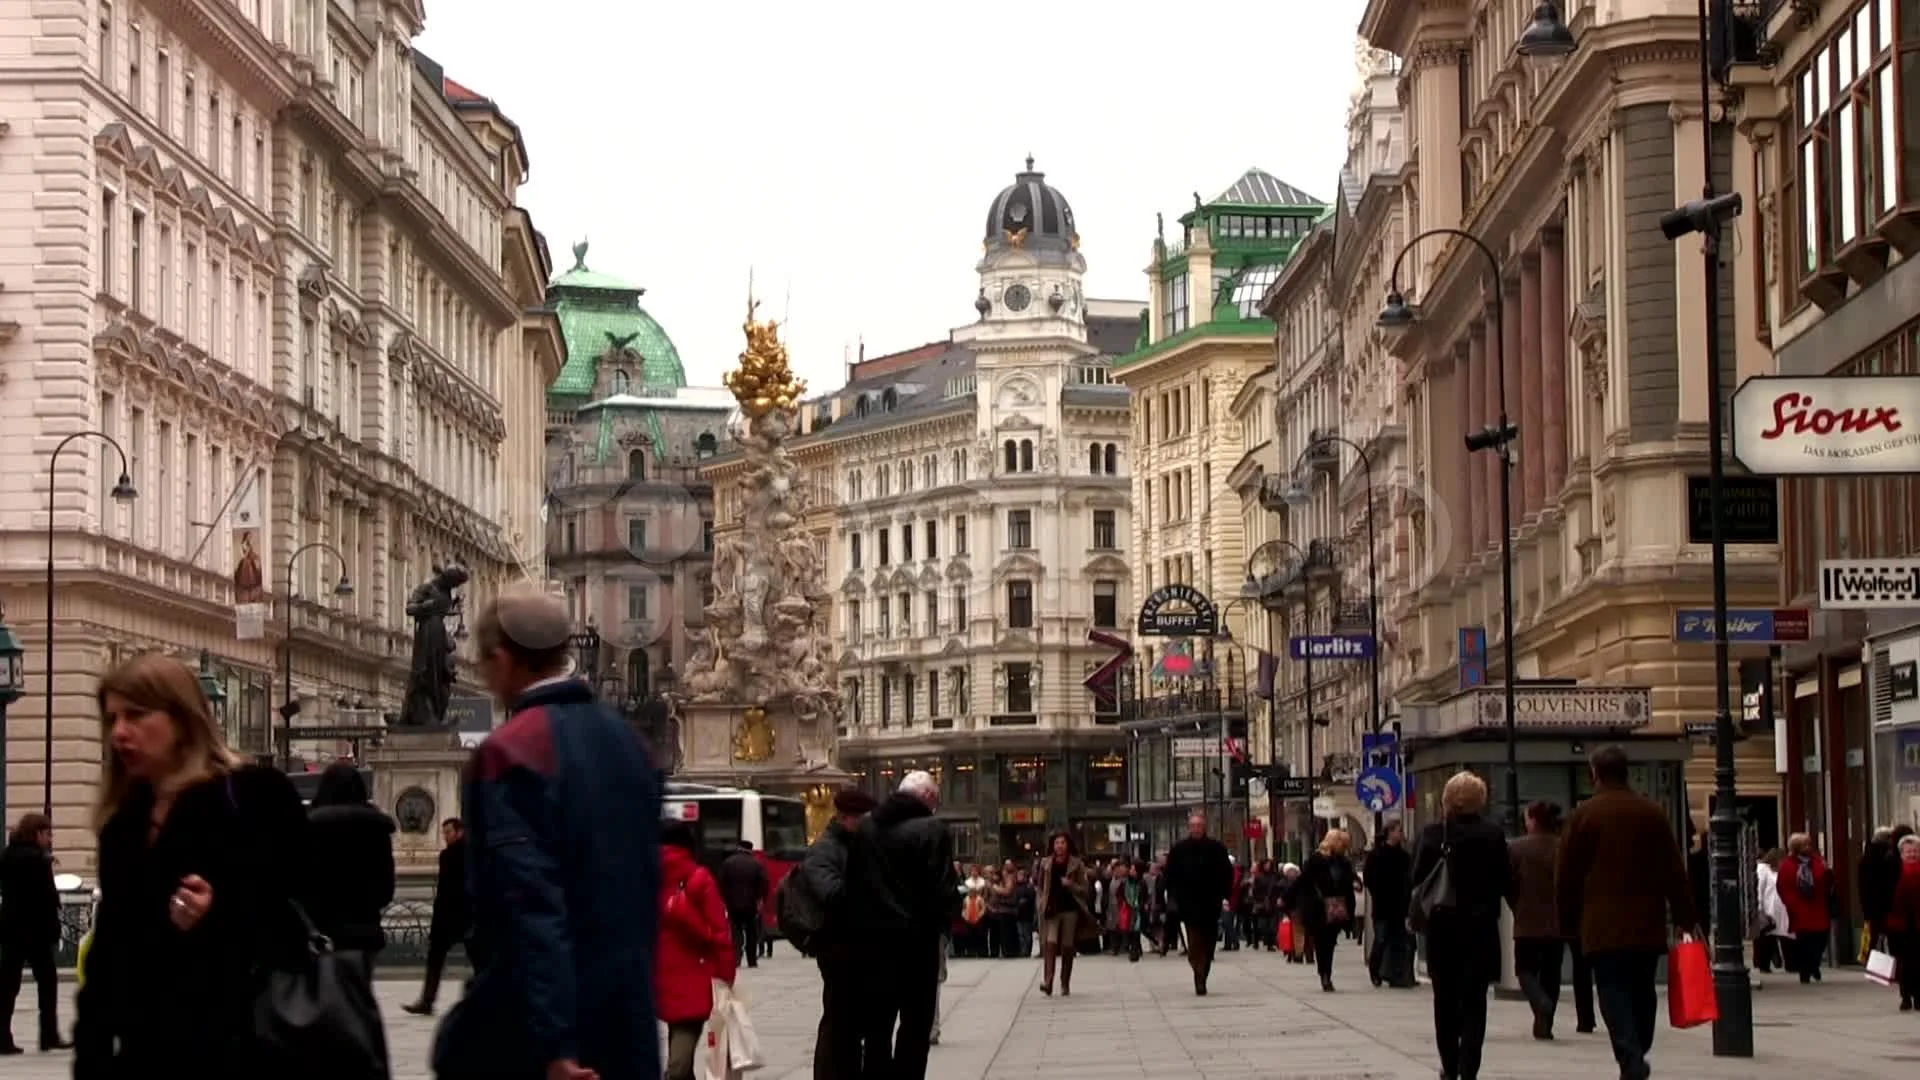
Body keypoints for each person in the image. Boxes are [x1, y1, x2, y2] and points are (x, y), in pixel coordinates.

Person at [430, 587, 662, 1080]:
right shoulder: (631, 745)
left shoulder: (512, 750)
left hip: (544, 1029)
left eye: (486, 662)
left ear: (504, 659)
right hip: (629, 1019)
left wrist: (554, 1043)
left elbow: (530, 904)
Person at [73, 651, 310, 1078]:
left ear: (182, 720)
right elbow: (110, 952)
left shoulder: (253, 794)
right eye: (112, 720)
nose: (120, 734)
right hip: (148, 1053)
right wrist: (91, 1054)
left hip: (247, 1048)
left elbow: (300, 913)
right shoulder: (124, 821)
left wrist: (221, 908)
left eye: (136, 716)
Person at [1557, 746, 1698, 1080]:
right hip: (1646, 923)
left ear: (1595, 774)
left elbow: (1566, 875)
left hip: (1601, 925)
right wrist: (1685, 917)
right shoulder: (1652, 812)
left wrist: (1566, 921)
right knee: (1642, 988)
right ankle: (1638, 1047)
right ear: (1626, 772)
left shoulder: (1583, 816)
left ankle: (1629, 1052)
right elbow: (1674, 869)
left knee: (1612, 989)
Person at [1412, 771, 1509, 1080]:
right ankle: (1469, 1069)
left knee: (1444, 1000)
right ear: (1480, 800)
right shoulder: (1492, 834)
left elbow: (1416, 879)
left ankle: (1450, 1065)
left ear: (1447, 799)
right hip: (1479, 928)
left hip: (1442, 927)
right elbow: (1504, 880)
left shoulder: (1432, 834)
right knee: (1475, 1002)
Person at [861, 771, 955, 1080]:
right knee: (915, 1029)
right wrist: (943, 925)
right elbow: (943, 890)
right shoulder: (932, 830)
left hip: (875, 947)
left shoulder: (867, 828)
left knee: (877, 1028)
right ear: (927, 798)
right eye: (935, 801)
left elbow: (855, 886)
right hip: (918, 946)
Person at [802, 787, 882, 1080]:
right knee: (838, 1023)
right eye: (866, 819)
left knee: (855, 1024)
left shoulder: (855, 845)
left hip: (860, 949)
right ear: (849, 818)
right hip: (838, 951)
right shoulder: (824, 849)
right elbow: (830, 894)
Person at [656, 820, 737, 1080]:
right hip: (696, 978)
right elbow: (719, 933)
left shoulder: (644, 879)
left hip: (660, 978)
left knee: (678, 1043)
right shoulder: (699, 877)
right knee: (679, 1063)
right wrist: (727, 975)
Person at [302, 763, 396, 962]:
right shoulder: (375, 829)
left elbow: (303, 882)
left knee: (328, 989)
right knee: (358, 987)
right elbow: (386, 887)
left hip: (324, 932)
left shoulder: (311, 828)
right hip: (365, 930)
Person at [0, 813, 65, 1054]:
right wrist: (54, 928)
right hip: (36, 931)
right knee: (47, 983)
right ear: (37, 833)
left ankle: (2, 1036)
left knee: (8, 985)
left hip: (11, 929)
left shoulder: (7, 855)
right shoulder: (39, 860)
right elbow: (47, 898)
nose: (50, 839)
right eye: (48, 834)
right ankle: (48, 1034)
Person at [1508, 800, 1570, 1039]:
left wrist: (1516, 903)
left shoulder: (1517, 848)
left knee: (1525, 969)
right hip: (1557, 922)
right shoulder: (1562, 847)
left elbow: (1508, 882)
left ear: (1533, 820)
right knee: (1551, 973)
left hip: (1527, 920)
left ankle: (1540, 1002)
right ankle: (1545, 1023)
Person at [404, 818, 470, 1016]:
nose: (445, 837)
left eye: (448, 832)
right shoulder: (451, 855)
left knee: (473, 957)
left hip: (457, 914)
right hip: (456, 915)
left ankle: (427, 1000)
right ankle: (427, 1000)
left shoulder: (461, 855)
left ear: (460, 832)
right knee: (436, 957)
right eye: (443, 833)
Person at [1163, 813, 1233, 995]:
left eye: (1199, 826)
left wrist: (1224, 896)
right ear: (1189, 827)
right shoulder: (1179, 849)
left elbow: (1227, 875)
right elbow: (1170, 876)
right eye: (1193, 826)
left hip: (1211, 903)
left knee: (1209, 943)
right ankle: (1198, 974)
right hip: (1188, 904)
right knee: (1194, 943)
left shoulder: (1217, 849)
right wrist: (1173, 897)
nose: (1196, 829)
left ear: (1204, 827)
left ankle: (1203, 970)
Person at [1035, 831, 1095, 996]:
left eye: (1062, 842)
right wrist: (1041, 902)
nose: (1059, 846)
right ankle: (1048, 981)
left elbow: (1085, 890)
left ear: (1067, 845)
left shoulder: (1077, 863)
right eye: (1056, 843)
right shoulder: (1046, 863)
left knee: (1067, 947)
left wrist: (1070, 885)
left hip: (1070, 909)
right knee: (1050, 944)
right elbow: (1039, 886)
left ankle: (1065, 982)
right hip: (1051, 910)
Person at [1298, 830, 1357, 992]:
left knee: (1329, 943)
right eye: (1342, 844)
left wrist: (1355, 883)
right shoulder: (1315, 860)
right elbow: (1303, 881)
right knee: (1320, 942)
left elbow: (1350, 880)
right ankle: (1323, 973)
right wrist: (1287, 899)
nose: (1344, 848)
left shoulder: (1343, 862)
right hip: (1318, 907)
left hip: (1336, 907)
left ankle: (1327, 973)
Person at [1778, 832, 1835, 983]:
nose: (1808, 847)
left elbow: (1827, 882)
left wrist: (1828, 872)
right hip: (1800, 909)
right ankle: (1805, 972)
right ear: (1796, 848)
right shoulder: (1788, 865)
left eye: (1809, 844)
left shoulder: (1817, 861)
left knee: (1820, 939)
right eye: (1804, 845)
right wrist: (1791, 903)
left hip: (1818, 907)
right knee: (1803, 943)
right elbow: (1783, 886)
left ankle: (1814, 965)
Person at [1365, 822, 1414, 988]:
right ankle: (1375, 970)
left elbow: (1409, 880)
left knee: (1400, 940)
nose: (1401, 834)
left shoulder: (1404, 856)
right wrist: (1378, 893)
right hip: (1383, 905)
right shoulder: (1377, 855)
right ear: (1389, 833)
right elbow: (1369, 878)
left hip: (1400, 905)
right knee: (1381, 939)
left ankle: (1397, 974)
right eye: (1398, 831)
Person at [717, 840, 770, 969]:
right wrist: (760, 899)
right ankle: (752, 960)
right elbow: (764, 884)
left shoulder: (728, 863)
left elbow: (721, 883)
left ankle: (736, 959)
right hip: (751, 905)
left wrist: (724, 899)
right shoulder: (757, 864)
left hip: (732, 904)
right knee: (752, 932)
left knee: (735, 933)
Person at [1887, 834, 1920, 1010]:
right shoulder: (1895, 872)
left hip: (1917, 923)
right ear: (1901, 853)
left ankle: (1919, 996)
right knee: (1904, 962)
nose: (1912, 854)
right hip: (1899, 924)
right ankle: (1906, 995)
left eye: (1915, 851)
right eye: (1909, 851)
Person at [1753, 847, 1792, 975]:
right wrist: (1760, 909)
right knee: (1767, 939)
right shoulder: (1763, 870)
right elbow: (1759, 890)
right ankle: (1764, 964)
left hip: (1781, 911)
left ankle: (1790, 964)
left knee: (1785, 937)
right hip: (1769, 910)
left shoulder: (1780, 872)